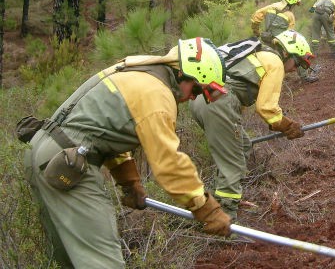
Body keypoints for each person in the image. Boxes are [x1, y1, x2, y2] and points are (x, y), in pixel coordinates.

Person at [23, 37, 232, 268]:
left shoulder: (138, 70)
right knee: (103, 262)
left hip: (44, 153)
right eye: (197, 90)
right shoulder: (157, 94)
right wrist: (204, 207)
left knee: (69, 261)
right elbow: (168, 163)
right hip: (68, 164)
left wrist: (129, 181)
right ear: (183, 74)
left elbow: (104, 131)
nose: (193, 97)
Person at [189, 30, 314, 220]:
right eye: (297, 63)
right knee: (234, 162)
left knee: (242, 145)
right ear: (287, 53)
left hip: (201, 99)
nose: (295, 69)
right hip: (218, 102)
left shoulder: (256, 52)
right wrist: (287, 126)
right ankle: (225, 221)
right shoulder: (275, 62)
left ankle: (218, 202)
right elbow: (266, 108)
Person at [250, 0, 317, 83]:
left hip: (266, 38)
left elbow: (256, 16)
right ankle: (304, 77)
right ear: (290, 4)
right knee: (299, 53)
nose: (294, 7)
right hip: (280, 41)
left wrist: (256, 31)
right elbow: (290, 33)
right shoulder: (290, 15)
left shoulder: (270, 7)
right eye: (294, 5)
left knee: (266, 59)